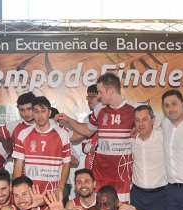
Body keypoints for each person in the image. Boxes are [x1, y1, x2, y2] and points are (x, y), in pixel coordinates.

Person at [56, 73, 135, 202]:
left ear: (110, 91)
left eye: (100, 92)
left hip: (121, 174)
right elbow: (87, 130)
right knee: (98, 209)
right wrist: (68, 120)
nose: (98, 96)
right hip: (100, 173)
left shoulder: (133, 109)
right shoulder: (100, 109)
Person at [12, 96, 71, 196]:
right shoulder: (23, 134)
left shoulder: (62, 134)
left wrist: (60, 187)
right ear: (33, 114)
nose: (40, 115)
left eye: (43, 111)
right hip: (30, 192)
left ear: (49, 113)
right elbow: (18, 165)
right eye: (36, 111)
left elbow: (66, 163)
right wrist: (16, 190)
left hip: (53, 191)